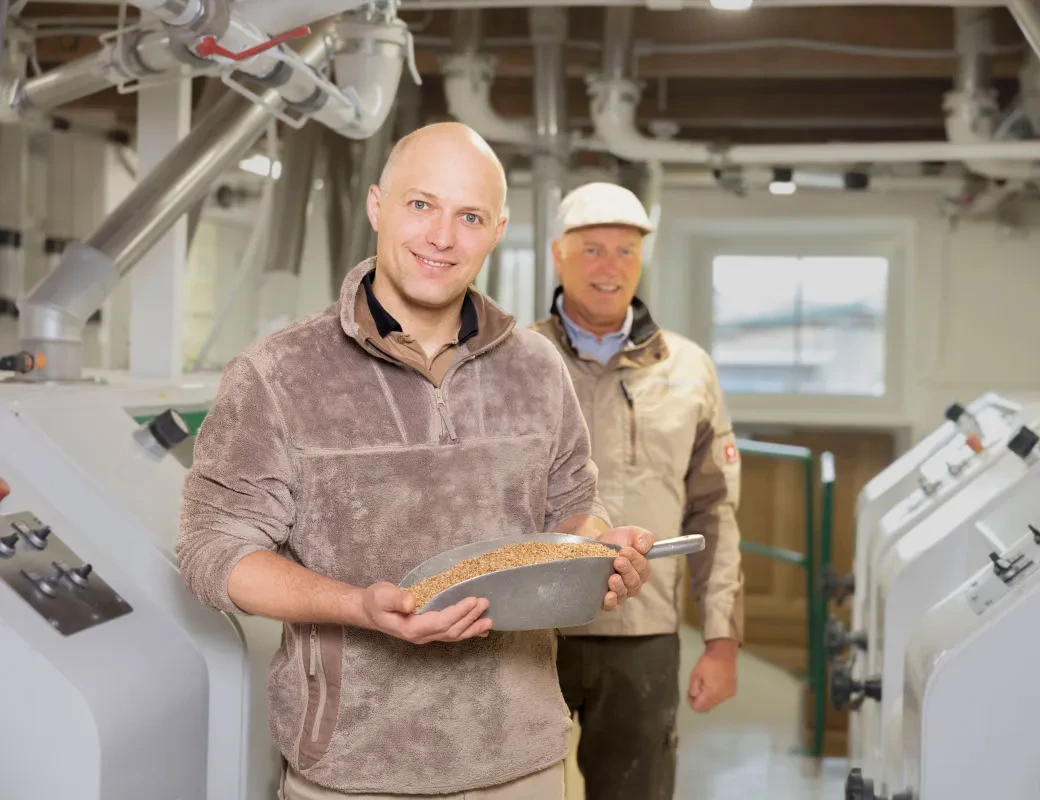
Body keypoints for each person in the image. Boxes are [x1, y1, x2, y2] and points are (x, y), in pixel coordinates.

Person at [176, 124, 656, 800]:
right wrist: (358, 607)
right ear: (378, 205)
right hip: (352, 771)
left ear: (497, 230)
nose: (442, 236)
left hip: (522, 762)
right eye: (421, 205)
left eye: (469, 216)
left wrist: (592, 551)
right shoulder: (278, 372)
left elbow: (571, 503)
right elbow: (212, 551)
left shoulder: (537, 368)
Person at [531, 181, 745, 800]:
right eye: (592, 249)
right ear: (558, 254)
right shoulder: (516, 359)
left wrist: (722, 643)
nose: (610, 267)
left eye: (626, 252)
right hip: (528, 627)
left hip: (643, 631)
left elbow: (717, 512)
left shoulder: (688, 369)